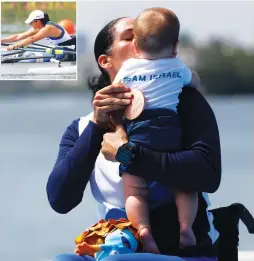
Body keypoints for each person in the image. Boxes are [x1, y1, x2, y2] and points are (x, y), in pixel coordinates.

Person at [47, 15, 221, 261]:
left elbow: (207, 173)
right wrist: (97, 126)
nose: (142, 39)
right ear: (105, 61)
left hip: (183, 253)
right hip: (120, 246)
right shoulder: (82, 128)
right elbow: (60, 200)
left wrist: (125, 153)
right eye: (130, 37)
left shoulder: (186, 103)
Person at [112, 8, 200, 253]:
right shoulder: (178, 66)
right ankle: (185, 227)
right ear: (175, 46)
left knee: (134, 190)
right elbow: (194, 82)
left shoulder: (129, 67)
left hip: (137, 135)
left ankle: (143, 230)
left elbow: (116, 89)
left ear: (137, 47)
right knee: (184, 185)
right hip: (170, 134)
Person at [1, 10, 74, 50]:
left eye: (31, 22)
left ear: (37, 21)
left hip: (69, 50)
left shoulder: (49, 28)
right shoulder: (39, 28)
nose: (30, 24)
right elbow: (18, 36)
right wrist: (1, 40)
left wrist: (14, 45)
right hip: (59, 49)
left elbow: (32, 39)